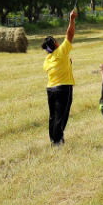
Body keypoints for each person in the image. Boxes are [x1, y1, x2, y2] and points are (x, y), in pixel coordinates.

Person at [41, 9, 77, 146]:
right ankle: (57, 142)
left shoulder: (47, 60)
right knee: (61, 117)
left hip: (51, 89)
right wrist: (72, 18)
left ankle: (53, 139)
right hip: (63, 88)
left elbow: (57, 68)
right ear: (56, 44)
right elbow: (70, 35)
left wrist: (68, 62)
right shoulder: (61, 51)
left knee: (52, 116)